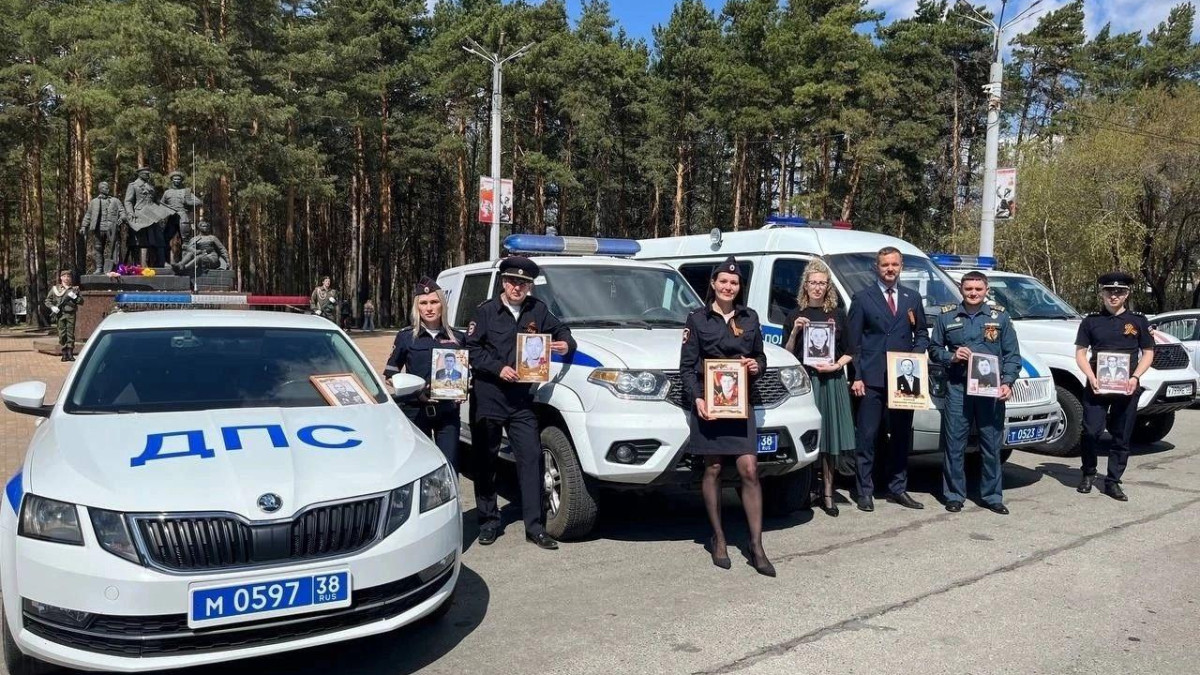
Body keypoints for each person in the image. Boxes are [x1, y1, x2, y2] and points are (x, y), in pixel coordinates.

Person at [466, 257, 575, 550]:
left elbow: (562, 331)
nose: (517, 288)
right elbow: (471, 349)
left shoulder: (537, 309)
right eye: (513, 282)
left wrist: (566, 343)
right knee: (486, 461)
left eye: (523, 284)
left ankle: (535, 527)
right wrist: (498, 368)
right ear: (504, 283)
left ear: (530, 286)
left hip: (521, 400)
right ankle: (488, 521)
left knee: (531, 459)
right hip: (489, 396)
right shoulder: (486, 311)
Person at [680, 256, 774, 576]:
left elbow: (760, 356)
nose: (728, 286)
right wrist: (698, 398)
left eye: (734, 282)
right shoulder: (697, 319)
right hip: (710, 404)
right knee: (714, 468)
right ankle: (718, 538)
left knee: (749, 468)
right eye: (723, 281)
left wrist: (757, 365)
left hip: (740, 403)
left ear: (739, 286)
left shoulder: (750, 317)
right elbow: (687, 367)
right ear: (713, 283)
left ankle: (756, 545)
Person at [847, 246, 930, 512]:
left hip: (904, 379)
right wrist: (857, 376)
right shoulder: (862, 298)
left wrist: (915, 357)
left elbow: (922, 334)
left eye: (894, 264)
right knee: (868, 437)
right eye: (885, 265)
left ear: (901, 266)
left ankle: (898, 488)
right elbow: (854, 343)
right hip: (871, 378)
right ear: (877, 267)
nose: (890, 269)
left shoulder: (911, 297)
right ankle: (865, 491)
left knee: (901, 436)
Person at [931, 271, 1021, 515]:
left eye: (978, 289)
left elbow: (1012, 355)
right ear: (961, 289)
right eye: (968, 289)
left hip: (990, 391)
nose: (973, 293)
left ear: (986, 290)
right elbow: (934, 349)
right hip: (958, 388)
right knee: (954, 445)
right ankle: (954, 495)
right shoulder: (946, 316)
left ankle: (992, 496)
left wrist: (1008, 382)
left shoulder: (1000, 317)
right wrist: (951, 356)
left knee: (991, 445)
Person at [782, 260, 854, 518]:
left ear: (828, 286)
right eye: (813, 282)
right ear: (806, 285)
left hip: (831, 381)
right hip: (806, 381)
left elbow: (850, 351)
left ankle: (828, 493)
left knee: (830, 439)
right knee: (807, 436)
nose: (817, 287)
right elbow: (786, 354)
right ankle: (806, 492)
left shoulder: (838, 314)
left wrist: (837, 365)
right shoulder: (794, 315)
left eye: (822, 283)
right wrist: (795, 332)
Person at [1074, 272, 1154, 501]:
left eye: (1119, 292)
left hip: (1126, 387)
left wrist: (1135, 377)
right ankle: (1088, 472)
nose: (1114, 296)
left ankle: (1113, 481)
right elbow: (1080, 353)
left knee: (1121, 435)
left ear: (1127, 294)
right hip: (1097, 386)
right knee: (1091, 432)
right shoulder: (1090, 321)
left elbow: (1148, 353)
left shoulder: (1138, 321)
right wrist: (1090, 376)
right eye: (1109, 291)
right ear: (1102, 293)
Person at [384, 278, 466, 471]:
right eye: (423, 303)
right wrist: (416, 390)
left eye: (434, 302)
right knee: (418, 468)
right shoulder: (406, 337)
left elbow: (467, 372)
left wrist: (464, 387)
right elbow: (391, 376)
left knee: (449, 466)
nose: (429, 308)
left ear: (442, 305)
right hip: (415, 412)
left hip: (448, 413)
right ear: (417, 307)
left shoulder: (458, 338)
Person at [123, 167, 168, 266]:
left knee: (158, 238)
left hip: (152, 214)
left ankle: (161, 262)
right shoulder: (133, 185)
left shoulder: (151, 186)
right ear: (140, 174)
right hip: (140, 214)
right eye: (145, 173)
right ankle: (139, 263)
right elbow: (128, 201)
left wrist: (165, 209)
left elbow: (156, 201)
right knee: (140, 241)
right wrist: (130, 212)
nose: (148, 175)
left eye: (148, 173)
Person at [79, 181, 127, 274]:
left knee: (115, 248)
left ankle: (115, 267)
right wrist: (84, 226)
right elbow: (88, 215)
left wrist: (122, 217)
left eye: (108, 187)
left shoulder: (115, 201)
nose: (108, 189)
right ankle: (99, 268)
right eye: (105, 188)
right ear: (100, 189)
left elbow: (122, 211)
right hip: (98, 228)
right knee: (98, 248)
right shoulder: (94, 202)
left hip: (112, 229)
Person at [159, 170, 203, 264]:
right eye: (175, 179)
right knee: (165, 239)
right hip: (171, 218)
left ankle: (185, 262)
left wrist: (189, 202)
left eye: (179, 179)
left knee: (186, 241)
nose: (177, 181)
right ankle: (164, 262)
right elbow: (161, 205)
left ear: (181, 180)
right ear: (172, 180)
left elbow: (199, 202)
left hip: (183, 218)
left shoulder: (186, 192)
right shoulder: (167, 193)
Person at [45, 270, 83, 362]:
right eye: (64, 276)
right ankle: (64, 353)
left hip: (70, 313)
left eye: (68, 277)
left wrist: (75, 297)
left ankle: (70, 353)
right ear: (61, 278)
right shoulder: (55, 289)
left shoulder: (74, 289)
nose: (66, 278)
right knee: (62, 334)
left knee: (70, 333)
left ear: (71, 278)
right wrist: (52, 307)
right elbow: (47, 301)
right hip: (60, 314)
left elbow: (81, 301)